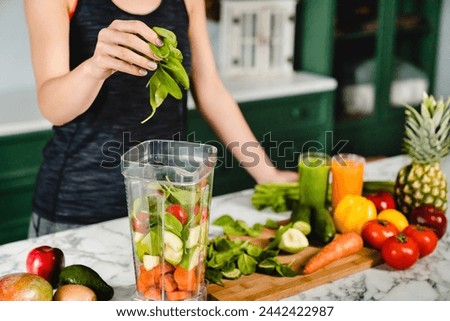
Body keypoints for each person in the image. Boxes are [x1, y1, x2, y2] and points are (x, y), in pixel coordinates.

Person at [24, 0, 298, 237]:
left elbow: (210, 90)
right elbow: (53, 108)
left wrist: (267, 173)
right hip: (78, 208)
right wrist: (95, 68)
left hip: (164, 202)